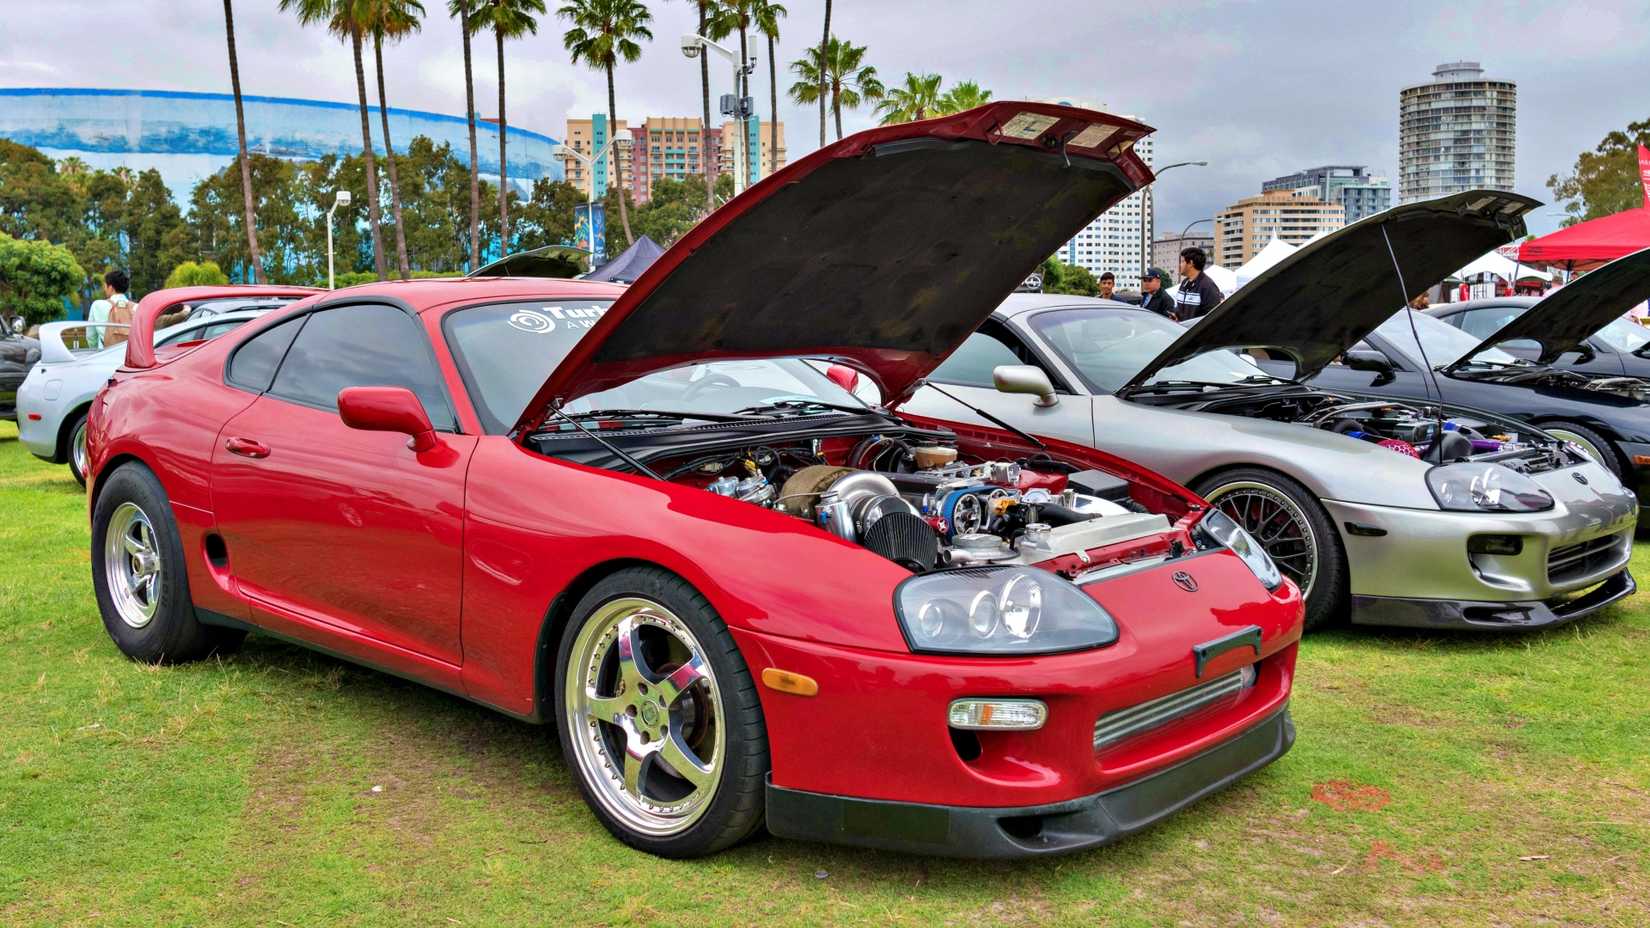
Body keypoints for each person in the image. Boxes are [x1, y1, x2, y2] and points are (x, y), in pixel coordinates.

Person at [86, 269, 132, 349]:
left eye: (105, 286)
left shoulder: (97, 305)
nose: (105, 289)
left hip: (106, 356)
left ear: (110, 287)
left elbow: (91, 337)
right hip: (130, 357)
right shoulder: (137, 307)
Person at [1174, 247, 1223, 320]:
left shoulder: (1208, 286)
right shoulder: (1184, 283)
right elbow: (1180, 311)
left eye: (1182, 261)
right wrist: (1176, 316)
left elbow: (1212, 316)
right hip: (1182, 330)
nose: (1179, 265)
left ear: (1191, 263)